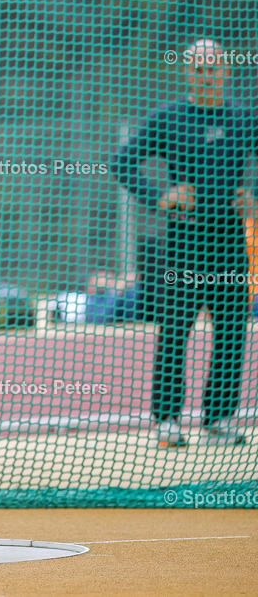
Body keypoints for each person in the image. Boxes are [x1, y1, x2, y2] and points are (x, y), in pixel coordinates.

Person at [112, 38, 254, 448]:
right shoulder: (168, 118)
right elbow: (122, 162)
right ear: (187, 72)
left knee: (231, 331)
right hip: (183, 242)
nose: (206, 76)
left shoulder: (244, 119)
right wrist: (161, 196)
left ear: (226, 71)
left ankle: (219, 418)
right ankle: (167, 421)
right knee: (175, 330)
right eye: (198, 69)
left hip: (229, 241)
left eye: (213, 68)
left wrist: (254, 198)